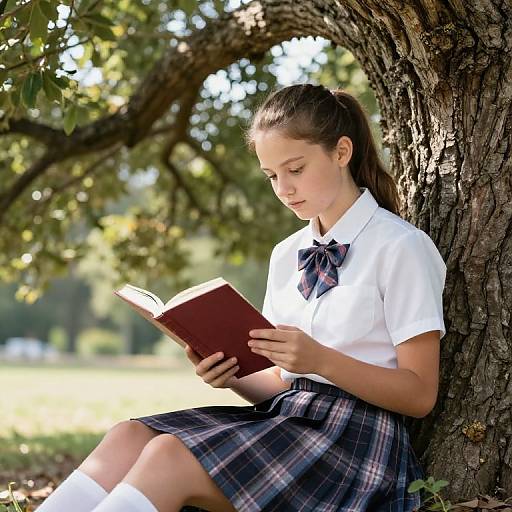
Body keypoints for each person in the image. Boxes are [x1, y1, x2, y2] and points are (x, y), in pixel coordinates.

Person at [36, 83, 446, 512]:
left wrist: (320, 359)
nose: (283, 188)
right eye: (271, 176)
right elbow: (280, 385)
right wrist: (229, 373)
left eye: (296, 169)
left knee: (168, 455)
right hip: (288, 420)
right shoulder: (286, 254)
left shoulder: (401, 247)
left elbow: (419, 395)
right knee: (129, 436)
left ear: (341, 152)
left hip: (357, 443)